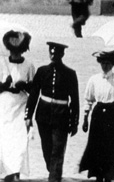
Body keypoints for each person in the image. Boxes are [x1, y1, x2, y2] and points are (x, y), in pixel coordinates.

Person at [24, 42, 79, 182]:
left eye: (57, 54)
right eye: (52, 53)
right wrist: (28, 116)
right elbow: (34, 94)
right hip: (43, 116)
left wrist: (74, 122)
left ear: (62, 54)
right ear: (49, 53)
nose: (54, 56)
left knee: (57, 151)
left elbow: (75, 100)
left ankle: (54, 177)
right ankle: (54, 173)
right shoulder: (42, 72)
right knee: (47, 150)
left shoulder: (70, 74)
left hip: (62, 117)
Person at [79, 48, 114, 182]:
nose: (105, 66)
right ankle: (98, 176)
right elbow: (88, 99)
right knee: (97, 148)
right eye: (103, 63)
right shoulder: (94, 79)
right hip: (98, 116)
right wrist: (85, 118)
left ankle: (109, 176)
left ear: (113, 64)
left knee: (112, 148)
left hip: (113, 115)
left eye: (108, 63)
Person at [0, 31, 35, 182]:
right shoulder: (2, 63)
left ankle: (16, 175)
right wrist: (4, 85)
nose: (15, 53)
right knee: (6, 143)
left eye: (18, 50)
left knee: (20, 145)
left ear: (23, 49)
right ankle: (8, 175)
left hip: (21, 107)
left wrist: (25, 85)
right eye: (13, 50)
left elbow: (34, 91)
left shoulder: (29, 65)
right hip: (5, 108)